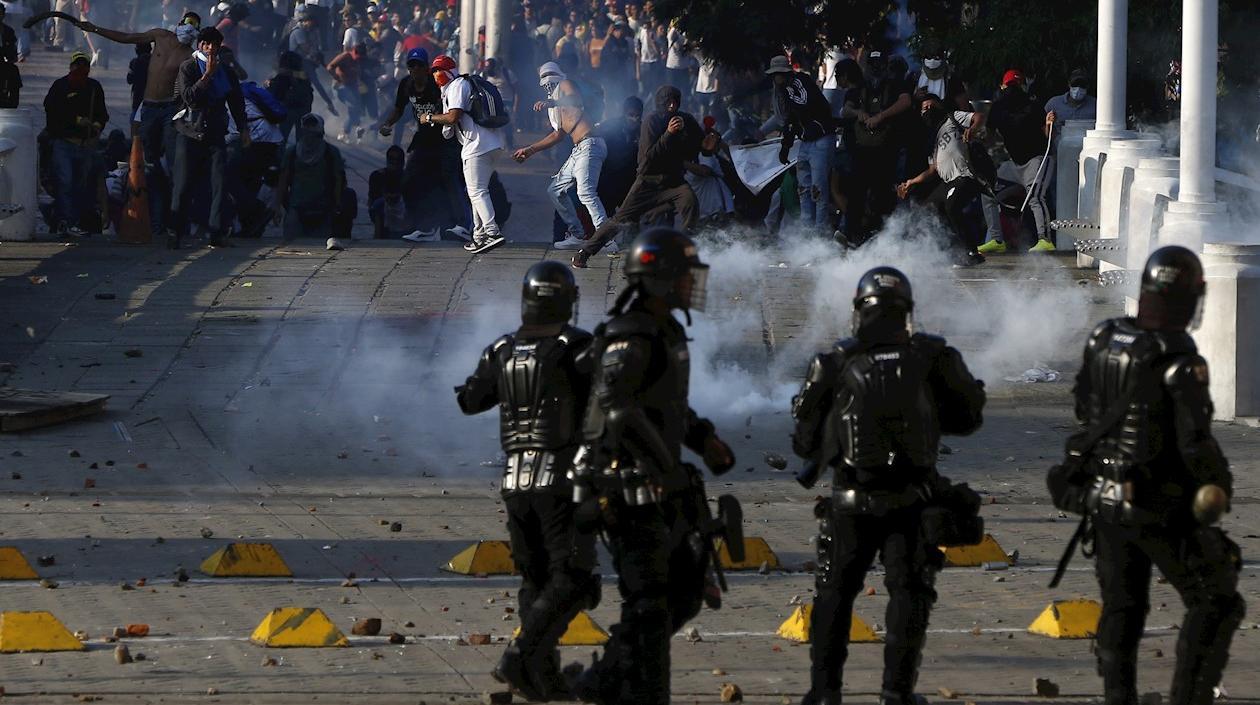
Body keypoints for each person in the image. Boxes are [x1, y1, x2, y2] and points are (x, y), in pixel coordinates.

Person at [1047, 246, 1243, 705]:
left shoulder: (1104, 337)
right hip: (1162, 505)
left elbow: (1083, 409)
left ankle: (1120, 697)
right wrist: (1220, 486)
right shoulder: (1180, 358)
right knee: (1216, 601)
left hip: (1104, 500)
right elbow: (1195, 444)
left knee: (1123, 608)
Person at [790, 266, 986, 705]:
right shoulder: (932, 355)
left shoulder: (834, 361)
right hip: (913, 499)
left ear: (860, 310)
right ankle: (896, 693)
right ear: (906, 312)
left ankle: (825, 693)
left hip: (850, 500)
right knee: (910, 593)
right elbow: (967, 420)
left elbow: (804, 442)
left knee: (835, 594)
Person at [568, 227, 735, 705]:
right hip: (626, 488)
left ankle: (608, 682)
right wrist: (667, 469)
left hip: (663, 485)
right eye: (683, 276)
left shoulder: (667, 331)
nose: (691, 284)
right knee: (649, 602)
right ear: (658, 280)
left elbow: (667, 407)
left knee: (680, 595)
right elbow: (618, 409)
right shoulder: (630, 335)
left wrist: (704, 440)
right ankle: (620, 689)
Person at [456, 261, 599, 702]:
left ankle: (541, 676)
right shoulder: (576, 347)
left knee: (535, 579)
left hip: (516, 481)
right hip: (560, 480)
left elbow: (470, 399)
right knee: (574, 578)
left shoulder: (500, 348)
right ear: (567, 301)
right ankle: (521, 655)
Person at [78, 11, 201, 234]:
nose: (189, 29)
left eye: (194, 26)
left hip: (170, 111)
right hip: (149, 107)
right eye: (187, 24)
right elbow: (127, 38)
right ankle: (149, 217)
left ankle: (177, 222)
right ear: (179, 25)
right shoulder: (160, 36)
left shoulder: (191, 55)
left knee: (174, 165)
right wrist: (95, 29)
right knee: (145, 163)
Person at [572, 85, 710, 269]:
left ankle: (681, 253)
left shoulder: (686, 120)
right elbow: (647, 161)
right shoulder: (651, 121)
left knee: (690, 204)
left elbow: (700, 146)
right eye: (668, 103)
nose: (672, 107)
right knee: (620, 220)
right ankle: (585, 252)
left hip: (674, 182)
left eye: (675, 102)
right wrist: (668, 134)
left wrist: (708, 145)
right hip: (648, 182)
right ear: (661, 103)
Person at [169, 26, 249, 250]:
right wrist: (207, 75)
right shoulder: (189, 67)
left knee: (220, 183)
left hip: (215, 132)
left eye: (215, 44)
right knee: (183, 184)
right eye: (207, 44)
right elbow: (190, 99)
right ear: (200, 45)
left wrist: (243, 127)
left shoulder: (227, 71)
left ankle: (216, 232)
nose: (211, 48)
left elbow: (236, 101)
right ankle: (175, 232)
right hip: (190, 131)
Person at [515, 61, 608, 251]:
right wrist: (530, 150)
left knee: (586, 193)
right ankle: (578, 235)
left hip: (590, 143)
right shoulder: (554, 107)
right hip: (579, 150)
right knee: (555, 190)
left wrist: (552, 102)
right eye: (543, 76)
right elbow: (557, 135)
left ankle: (606, 239)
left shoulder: (565, 85)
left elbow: (574, 99)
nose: (547, 80)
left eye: (550, 74)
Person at [378, 47, 467, 241]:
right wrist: (387, 124)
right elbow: (398, 108)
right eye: (412, 65)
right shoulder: (406, 85)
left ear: (427, 67)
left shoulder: (437, 85)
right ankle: (422, 225)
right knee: (410, 181)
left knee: (449, 181)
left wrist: (432, 117)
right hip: (423, 140)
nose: (415, 69)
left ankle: (462, 225)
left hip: (446, 140)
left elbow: (453, 111)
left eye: (419, 65)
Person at [423, 54, 506, 254]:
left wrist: (430, 117)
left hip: (477, 146)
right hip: (489, 144)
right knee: (475, 191)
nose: (436, 75)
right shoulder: (452, 89)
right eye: (433, 71)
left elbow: (453, 117)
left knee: (477, 192)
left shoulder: (457, 85)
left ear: (450, 71)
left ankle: (492, 231)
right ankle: (479, 236)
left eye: (439, 70)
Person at [896, 95, 990, 266]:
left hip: (966, 175)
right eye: (923, 109)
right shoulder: (933, 141)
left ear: (939, 105)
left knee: (952, 205)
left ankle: (971, 252)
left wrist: (973, 129)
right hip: (949, 181)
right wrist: (912, 182)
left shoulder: (953, 118)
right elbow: (932, 171)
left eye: (930, 105)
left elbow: (979, 117)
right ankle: (945, 249)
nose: (927, 110)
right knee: (927, 209)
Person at [981, 69, 1056, 253]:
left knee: (1036, 197)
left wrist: (1048, 123)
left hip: (1036, 161)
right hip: (1015, 165)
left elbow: (989, 138)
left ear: (1003, 86)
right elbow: (989, 137)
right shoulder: (1019, 105)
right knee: (987, 192)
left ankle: (1045, 240)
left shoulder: (1023, 105)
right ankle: (997, 240)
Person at [842, 49, 911, 244]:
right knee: (857, 193)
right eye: (872, 65)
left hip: (886, 150)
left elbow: (905, 102)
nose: (875, 69)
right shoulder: (860, 87)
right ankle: (852, 232)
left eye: (878, 65)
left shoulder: (895, 85)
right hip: (862, 150)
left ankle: (883, 236)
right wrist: (860, 114)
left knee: (883, 194)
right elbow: (846, 109)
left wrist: (882, 116)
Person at [764, 54, 836, 230]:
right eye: (774, 75)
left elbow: (805, 103)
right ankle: (807, 235)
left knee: (818, 189)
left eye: (778, 73)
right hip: (807, 142)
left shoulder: (799, 82)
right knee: (803, 189)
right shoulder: (785, 91)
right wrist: (785, 147)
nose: (776, 78)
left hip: (821, 138)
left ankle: (820, 234)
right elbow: (791, 120)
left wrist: (787, 94)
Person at [43, 51, 107, 236]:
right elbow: (52, 111)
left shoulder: (94, 88)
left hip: (85, 145)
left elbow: (102, 113)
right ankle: (65, 221)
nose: (80, 68)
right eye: (77, 65)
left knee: (81, 185)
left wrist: (97, 125)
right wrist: (76, 120)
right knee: (65, 183)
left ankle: (75, 221)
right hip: (64, 143)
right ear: (71, 66)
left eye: (84, 65)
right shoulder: (60, 86)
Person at [273, 112, 349, 243]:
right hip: (297, 207)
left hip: (323, 208)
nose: (309, 135)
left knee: (321, 245)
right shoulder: (292, 152)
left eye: (313, 130)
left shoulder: (330, 153)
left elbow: (338, 179)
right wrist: (277, 207)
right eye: (307, 130)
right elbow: (283, 180)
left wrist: (337, 203)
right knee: (291, 245)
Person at [596, 94, 642, 214]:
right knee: (605, 219)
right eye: (631, 115)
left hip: (630, 182)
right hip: (608, 181)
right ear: (624, 113)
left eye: (638, 116)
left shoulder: (644, 130)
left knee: (631, 219)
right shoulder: (608, 127)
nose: (635, 119)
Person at [327, 42, 368, 143]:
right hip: (341, 87)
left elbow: (357, 74)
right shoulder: (345, 56)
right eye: (357, 55)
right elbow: (330, 67)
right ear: (353, 51)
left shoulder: (360, 60)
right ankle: (344, 133)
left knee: (357, 110)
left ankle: (351, 131)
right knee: (354, 108)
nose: (358, 58)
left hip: (352, 87)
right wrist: (338, 78)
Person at [368, 145, 410, 239]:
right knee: (380, 205)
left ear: (402, 161)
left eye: (397, 159)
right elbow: (373, 197)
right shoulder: (378, 175)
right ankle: (378, 237)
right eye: (392, 159)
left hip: (402, 208)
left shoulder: (407, 177)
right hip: (382, 207)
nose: (394, 162)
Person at [0, 3, 20, 108]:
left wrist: (11, 56)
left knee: (13, 70)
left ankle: (11, 101)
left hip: (2, 62)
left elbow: (12, 49)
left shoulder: (8, 31)